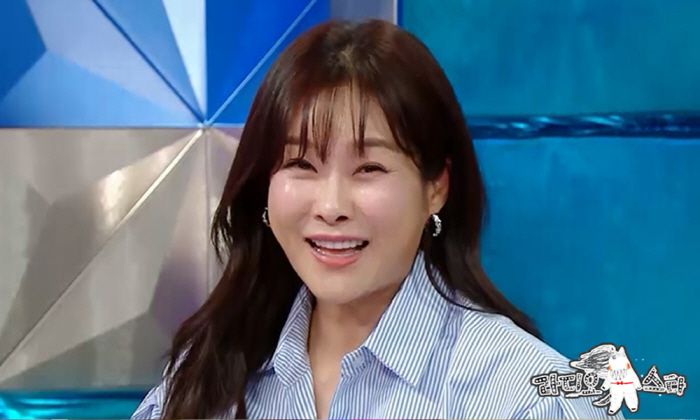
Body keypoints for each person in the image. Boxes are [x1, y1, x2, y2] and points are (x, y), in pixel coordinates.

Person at [132, 19, 616, 419]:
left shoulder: (529, 398)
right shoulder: (203, 377)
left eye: (368, 169)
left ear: (436, 187)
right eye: (301, 164)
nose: (331, 206)